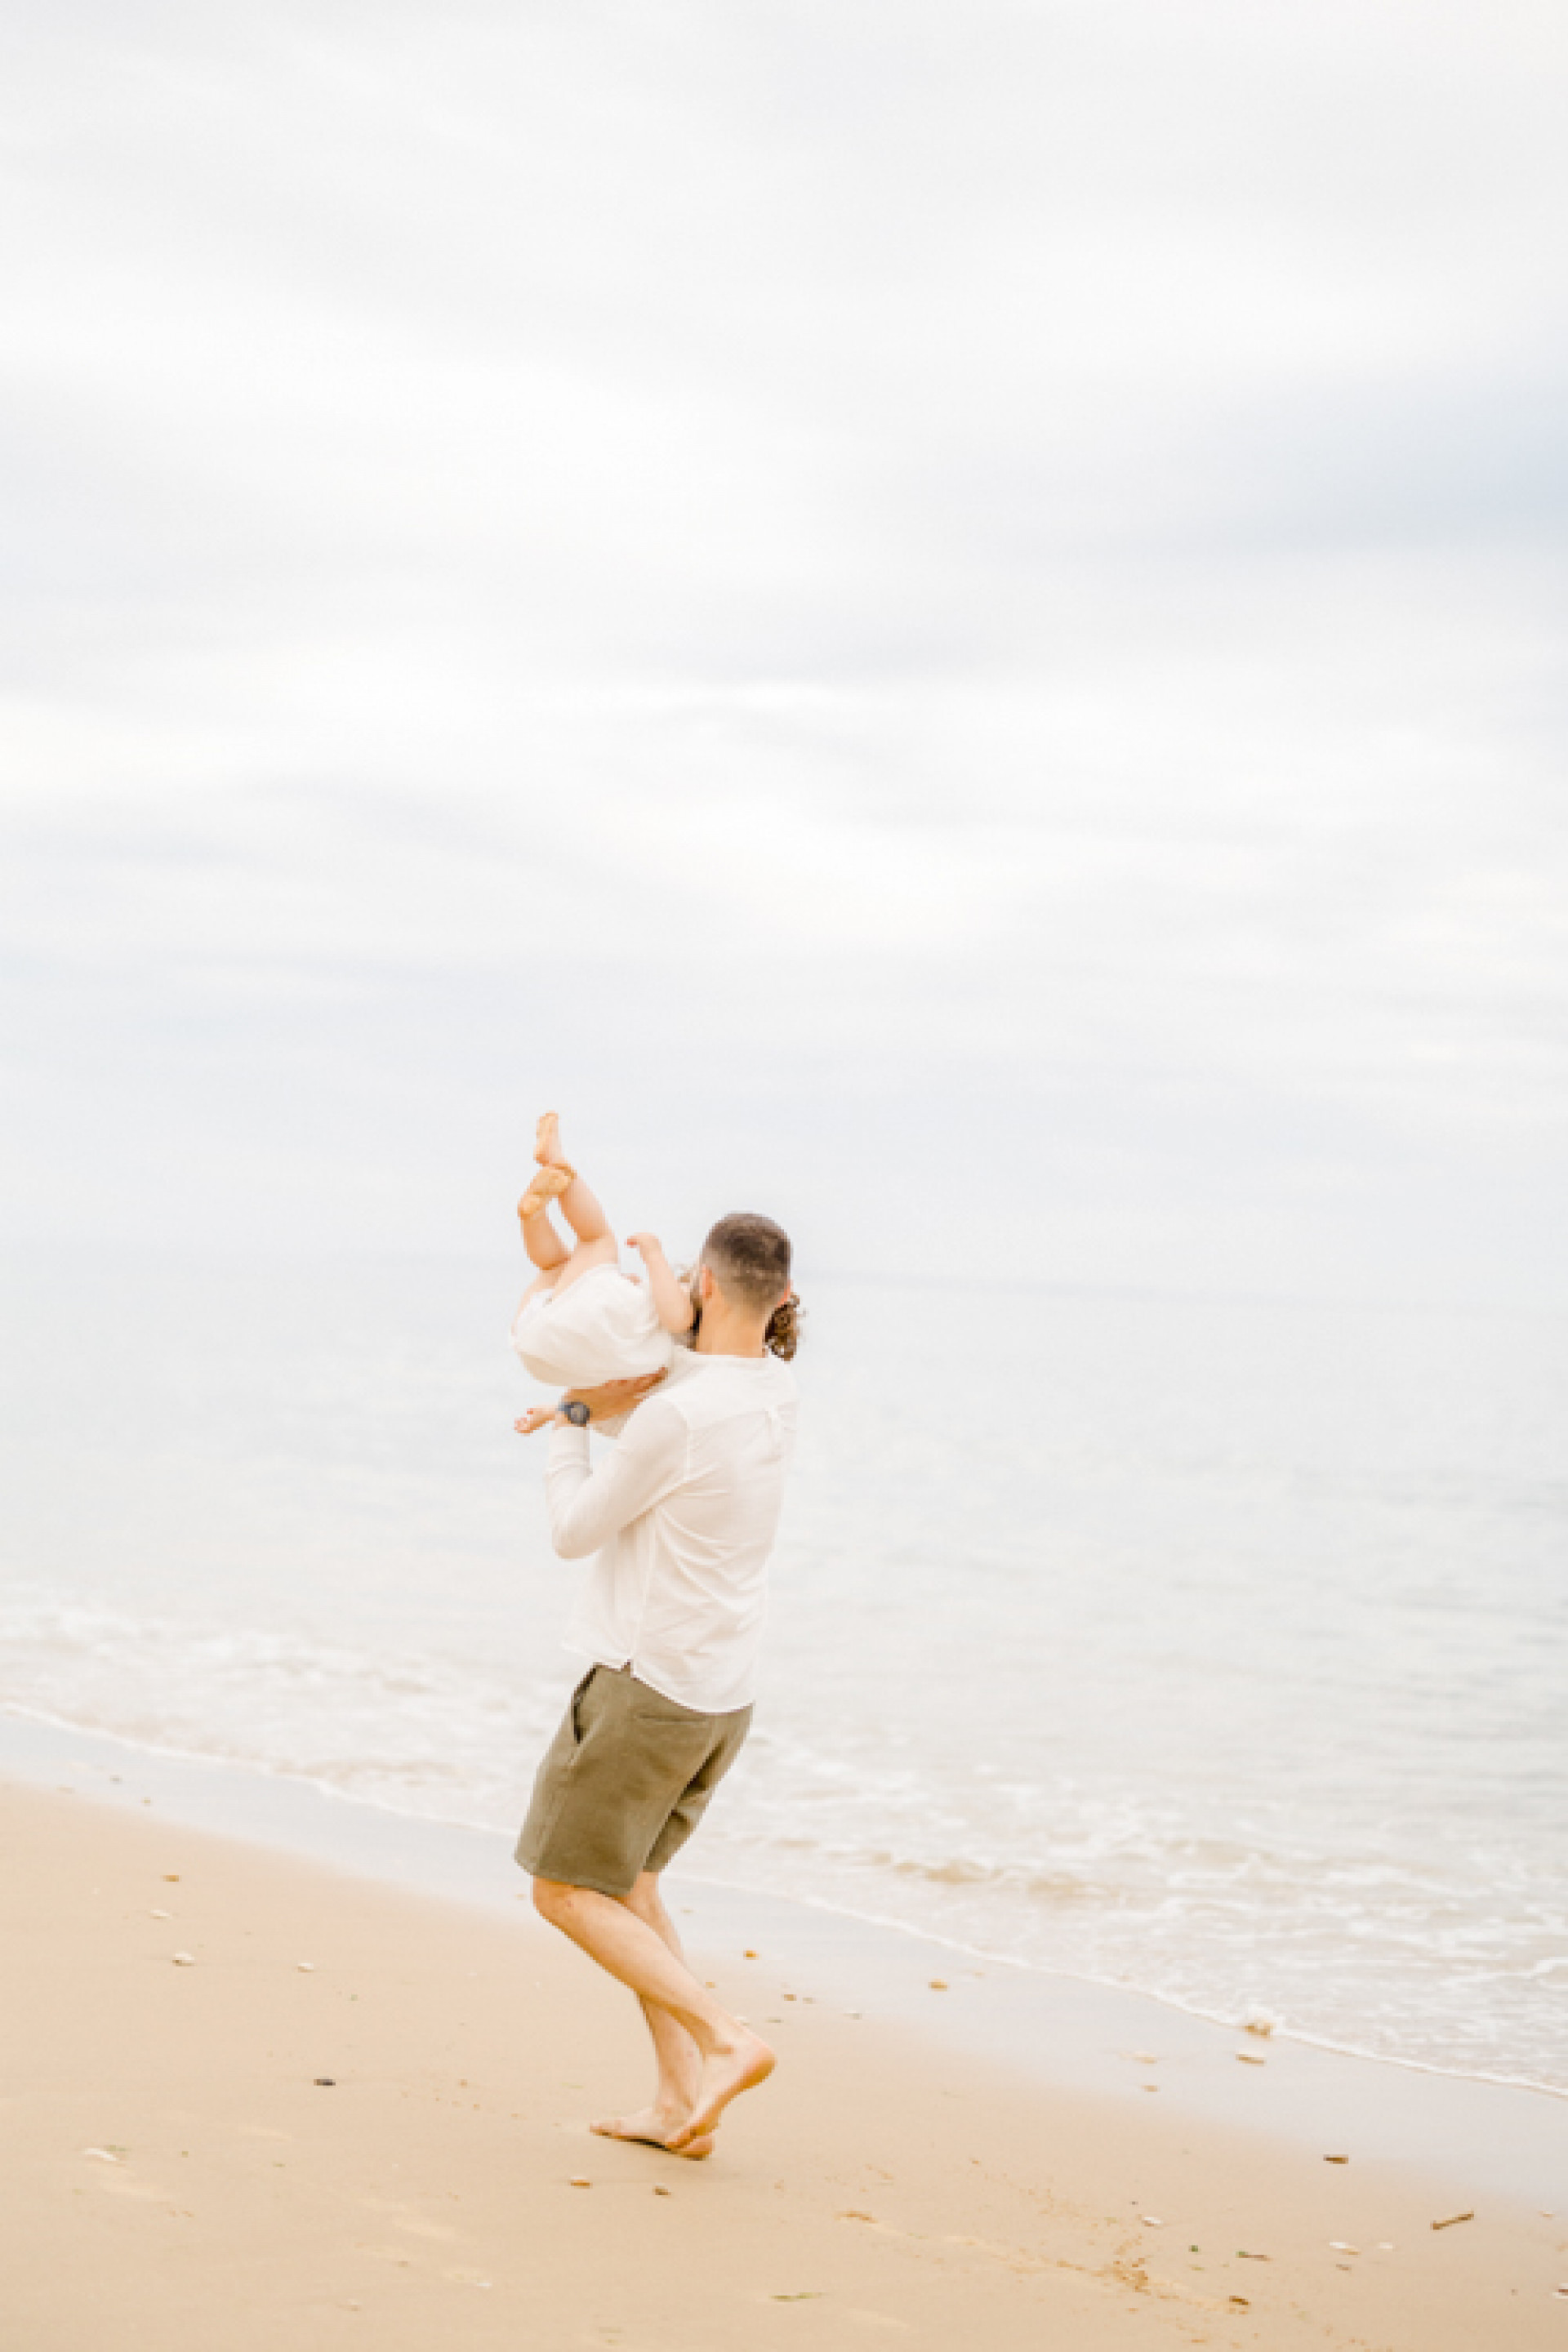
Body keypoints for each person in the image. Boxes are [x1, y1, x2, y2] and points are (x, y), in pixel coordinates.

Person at [512, 1204, 800, 2158]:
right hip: (720, 1699)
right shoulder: (770, 1393)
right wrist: (605, 1405)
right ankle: (680, 2100)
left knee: (563, 1890)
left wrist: (566, 1423)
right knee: (630, 1888)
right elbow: (671, 1402)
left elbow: (572, 1531)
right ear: (780, 1299)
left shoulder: (679, 1413)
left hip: (646, 1691)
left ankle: (726, 2040)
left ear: (704, 1286)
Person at [510, 1112, 706, 1430]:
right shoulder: (679, 1372)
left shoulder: (682, 1304)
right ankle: (533, 1218)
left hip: (557, 1331)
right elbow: (610, 1412)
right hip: (540, 1357)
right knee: (556, 1266)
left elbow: (678, 1318)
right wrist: (553, 1412)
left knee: (595, 1238)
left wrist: (654, 1255)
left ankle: (557, 1163)